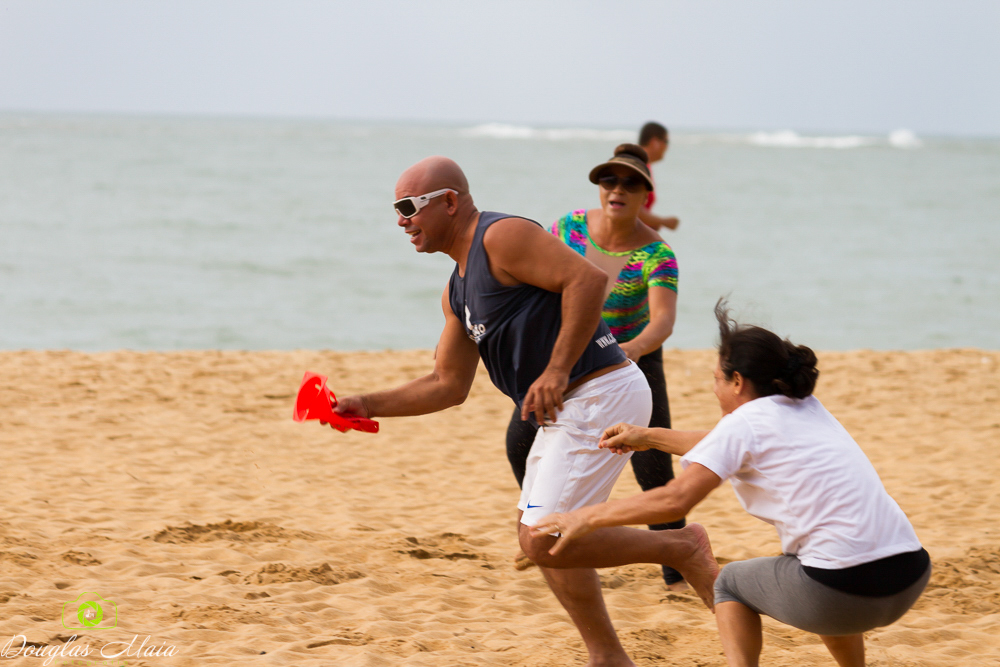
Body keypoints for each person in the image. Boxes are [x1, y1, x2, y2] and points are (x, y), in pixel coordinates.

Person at [332, 156, 720, 667]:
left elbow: (587, 280)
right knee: (542, 534)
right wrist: (366, 404)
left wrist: (556, 370)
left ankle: (681, 547)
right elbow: (447, 384)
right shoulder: (456, 289)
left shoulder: (501, 236)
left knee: (543, 537)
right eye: (396, 209)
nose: (401, 220)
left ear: (449, 202)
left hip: (599, 391)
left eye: (409, 207)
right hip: (566, 408)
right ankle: (608, 655)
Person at [530, 300, 931, 667]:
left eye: (717, 379)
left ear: (737, 381)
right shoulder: (807, 408)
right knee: (814, 562)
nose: (714, 388)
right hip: (910, 576)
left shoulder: (745, 424)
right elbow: (722, 445)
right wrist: (647, 436)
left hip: (843, 594)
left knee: (732, 584)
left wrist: (585, 517)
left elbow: (675, 500)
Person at [505, 143, 689, 590]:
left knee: (653, 470)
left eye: (629, 183)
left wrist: (634, 348)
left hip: (633, 362)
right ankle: (552, 527)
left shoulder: (657, 254)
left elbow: (663, 320)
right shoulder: (567, 228)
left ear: (645, 194)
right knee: (520, 442)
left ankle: (679, 572)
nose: (617, 189)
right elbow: (533, 281)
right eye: (609, 180)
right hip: (569, 356)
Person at [637, 121, 679, 231]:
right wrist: (664, 222)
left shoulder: (644, 165)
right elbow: (633, 208)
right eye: (666, 141)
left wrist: (653, 223)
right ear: (654, 142)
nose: (667, 146)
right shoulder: (638, 165)